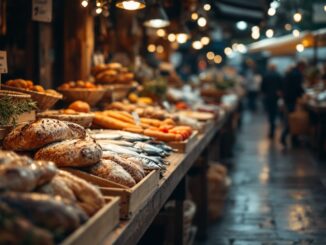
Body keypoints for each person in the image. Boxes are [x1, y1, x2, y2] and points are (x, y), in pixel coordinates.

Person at [280, 61, 306, 147]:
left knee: (291, 118)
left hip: (288, 98)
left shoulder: (291, 73)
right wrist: (303, 93)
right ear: (301, 67)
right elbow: (298, 87)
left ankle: (293, 139)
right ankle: (285, 137)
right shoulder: (297, 74)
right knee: (292, 119)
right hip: (291, 99)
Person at [261, 64, 283, 139]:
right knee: (275, 112)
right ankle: (273, 126)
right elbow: (282, 86)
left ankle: (272, 128)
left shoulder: (266, 75)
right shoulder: (278, 75)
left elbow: (262, 87)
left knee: (270, 114)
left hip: (268, 97)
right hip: (276, 97)